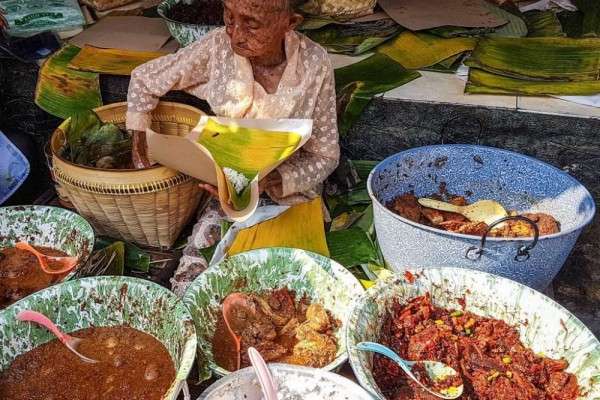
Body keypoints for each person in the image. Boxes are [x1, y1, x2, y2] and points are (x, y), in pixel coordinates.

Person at [126, 0, 340, 294]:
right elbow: (144, 79)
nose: (236, 34)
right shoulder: (218, 48)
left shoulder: (314, 64)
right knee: (194, 282)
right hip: (226, 193)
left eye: (251, 24)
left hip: (289, 197)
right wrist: (140, 145)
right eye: (229, 18)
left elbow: (325, 155)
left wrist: (268, 181)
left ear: (290, 23)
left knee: (276, 286)